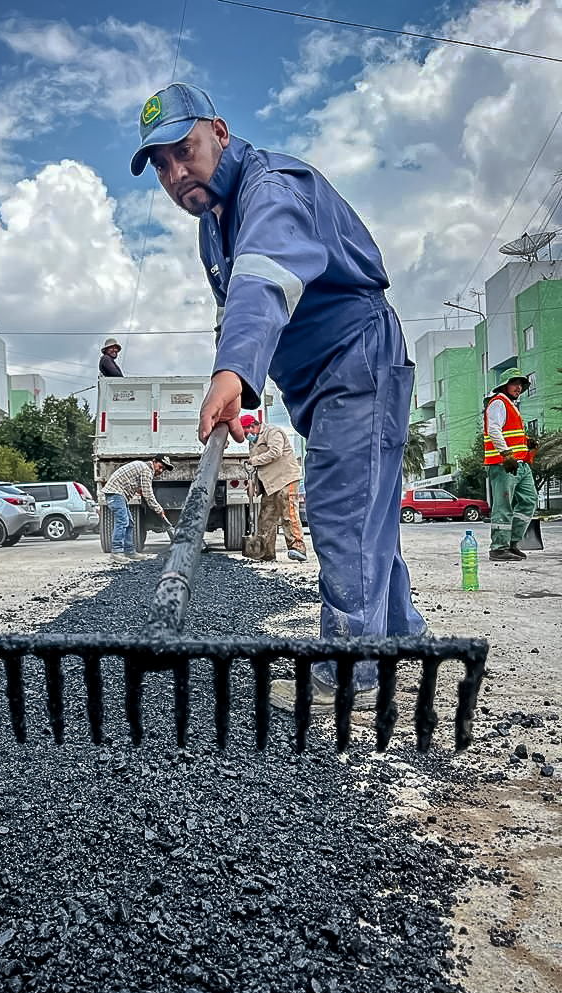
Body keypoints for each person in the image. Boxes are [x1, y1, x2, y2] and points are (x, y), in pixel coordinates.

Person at [130, 82, 426, 707]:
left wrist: (234, 370)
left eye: (186, 150)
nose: (177, 172)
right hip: (316, 381)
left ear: (221, 132)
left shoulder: (269, 191)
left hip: (358, 361)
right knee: (368, 516)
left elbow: (263, 282)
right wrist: (240, 383)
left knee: (342, 510)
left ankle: (353, 668)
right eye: (161, 165)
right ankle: (403, 638)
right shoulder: (213, 225)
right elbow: (234, 310)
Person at [483, 368, 538, 562]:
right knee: (503, 504)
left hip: (520, 464)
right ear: (505, 385)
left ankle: (512, 542)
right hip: (503, 464)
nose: (519, 387)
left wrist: (526, 441)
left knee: (529, 500)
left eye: (521, 384)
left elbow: (509, 433)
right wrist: (506, 454)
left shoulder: (512, 406)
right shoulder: (498, 403)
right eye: (514, 383)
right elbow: (494, 430)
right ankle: (498, 548)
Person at [239, 414, 308, 563]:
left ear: (253, 426)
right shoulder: (253, 443)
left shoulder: (273, 432)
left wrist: (255, 460)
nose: (246, 436)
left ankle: (297, 548)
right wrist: (255, 484)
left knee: (288, 512)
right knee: (265, 518)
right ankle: (265, 552)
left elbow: (276, 452)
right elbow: (257, 467)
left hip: (285, 478)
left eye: (246, 432)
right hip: (270, 484)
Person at [102, 454, 174, 564]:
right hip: (115, 493)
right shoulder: (146, 470)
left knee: (129, 522)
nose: (160, 470)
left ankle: (130, 551)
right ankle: (116, 553)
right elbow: (148, 495)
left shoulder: (143, 468)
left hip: (118, 494)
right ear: (154, 461)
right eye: (160, 466)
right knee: (123, 521)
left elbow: (140, 488)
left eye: (163, 469)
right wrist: (159, 510)